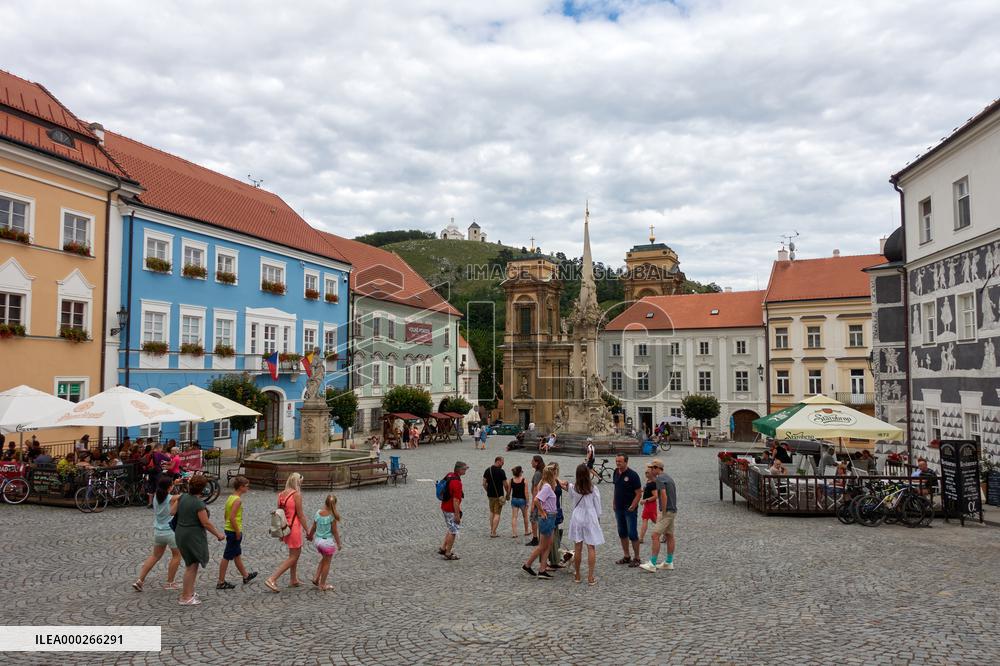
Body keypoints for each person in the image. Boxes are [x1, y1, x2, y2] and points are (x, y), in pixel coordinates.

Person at [172, 475, 225, 605]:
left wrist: (179, 500)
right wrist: (218, 534)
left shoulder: (183, 497)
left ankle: (189, 592)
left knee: (190, 564)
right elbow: (206, 523)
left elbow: (171, 512)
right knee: (192, 566)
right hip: (192, 535)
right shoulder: (198, 503)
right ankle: (185, 597)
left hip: (180, 532)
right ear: (202, 489)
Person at [132, 476, 182, 591]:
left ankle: (140, 580)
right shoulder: (171, 498)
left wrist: (174, 483)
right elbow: (182, 497)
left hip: (158, 532)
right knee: (177, 556)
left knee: (155, 556)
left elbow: (169, 492)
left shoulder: (155, 497)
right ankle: (170, 583)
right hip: (170, 532)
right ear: (169, 487)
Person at [265, 473, 311, 593]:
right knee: (294, 556)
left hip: (286, 527)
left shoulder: (281, 495)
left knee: (293, 554)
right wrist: (308, 530)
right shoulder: (296, 495)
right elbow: (300, 515)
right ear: (297, 482)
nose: (301, 484)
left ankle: (293, 579)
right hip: (294, 527)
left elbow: (280, 513)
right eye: (301, 482)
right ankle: (272, 578)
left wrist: (281, 532)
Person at [217, 476, 257, 590]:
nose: (248, 488)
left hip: (229, 529)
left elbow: (226, 515)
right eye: (247, 486)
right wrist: (237, 531)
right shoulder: (238, 500)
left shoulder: (230, 497)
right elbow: (232, 517)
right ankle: (221, 581)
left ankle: (246, 576)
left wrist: (228, 526)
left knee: (237, 554)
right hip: (234, 531)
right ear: (241, 487)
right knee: (227, 556)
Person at [567, 463, 603, 585]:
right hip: (590, 516)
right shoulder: (593, 489)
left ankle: (577, 575)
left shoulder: (573, 487)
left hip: (577, 515)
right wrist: (598, 519)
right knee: (591, 547)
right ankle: (590, 577)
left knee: (578, 547)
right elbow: (597, 507)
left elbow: (572, 500)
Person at [640, 459, 677, 572]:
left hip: (667, 512)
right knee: (669, 535)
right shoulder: (668, 477)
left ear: (657, 469)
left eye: (652, 468)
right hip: (673, 510)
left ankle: (652, 563)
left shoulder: (660, 479)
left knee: (655, 535)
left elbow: (664, 495)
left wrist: (663, 512)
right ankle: (669, 562)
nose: (650, 470)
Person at [522, 465, 559, 579]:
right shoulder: (547, 486)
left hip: (551, 517)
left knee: (548, 545)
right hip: (547, 517)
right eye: (555, 473)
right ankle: (527, 564)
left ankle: (542, 570)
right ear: (552, 474)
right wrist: (542, 512)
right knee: (542, 546)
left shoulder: (545, 484)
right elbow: (537, 500)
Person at [306, 493, 343, 591]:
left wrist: (310, 536)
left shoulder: (318, 513)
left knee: (324, 559)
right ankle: (322, 584)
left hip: (318, 542)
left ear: (325, 502)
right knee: (327, 563)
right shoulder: (332, 517)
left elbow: (313, 527)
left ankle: (316, 578)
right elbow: (335, 531)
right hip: (327, 543)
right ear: (334, 505)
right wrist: (339, 543)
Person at [612, 454, 642, 567]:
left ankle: (637, 557)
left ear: (626, 462)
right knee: (622, 532)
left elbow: (639, 493)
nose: (618, 463)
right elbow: (616, 488)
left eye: (620, 461)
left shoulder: (633, 475)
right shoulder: (615, 472)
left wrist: (633, 506)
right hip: (619, 508)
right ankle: (626, 556)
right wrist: (614, 501)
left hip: (629, 508)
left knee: (632, 533)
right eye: (616, 461)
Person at [438, 461, 468, 560]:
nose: (466, 470)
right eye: (464, 469)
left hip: (444, 506)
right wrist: (457, 515)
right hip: (451, 509)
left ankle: (443, 548)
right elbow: (456, 500)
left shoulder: (449, 475)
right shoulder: (457, 483)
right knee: (453, 531)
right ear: (459, 470)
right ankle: (448, 552)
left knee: (450, 528)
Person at [546, 461, 572, 571]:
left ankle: (554, 561)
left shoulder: (556, 480)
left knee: (555, 537)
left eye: (556, 469)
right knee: (549, 539)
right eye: (553, 469)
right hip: (549, 513)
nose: (555, 471)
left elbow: (565, 487)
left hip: (556, 512)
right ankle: (546, 563)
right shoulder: (546, 483)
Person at [482, 456, 510, 538]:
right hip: (499, 495)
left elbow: (484, 483)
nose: (503, 463)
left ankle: (492, 529)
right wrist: (507, 494)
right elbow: (505, 484)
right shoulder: (501, 471)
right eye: (502, 462)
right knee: (497, 513)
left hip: (490, 495)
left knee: (491, 512)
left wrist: (487, 490)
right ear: (498, 461)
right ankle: (493, 532)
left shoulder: (488, 470)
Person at [527, 455, 545, 547]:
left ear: (536, 462)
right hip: (541, 499)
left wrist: (533, 503)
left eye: (532, 461)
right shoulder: (541, 472)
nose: (531, 462)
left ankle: (535, 538)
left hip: (537, 499)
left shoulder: (538, 474)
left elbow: (535, 489)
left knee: (533, 518)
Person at [639, 465, 658, 545]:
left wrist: (645, 500)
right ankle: (641, 538)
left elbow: (655, 496)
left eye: (647, 473)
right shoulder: (648, 481)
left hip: (650, 505)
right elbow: (646, 488)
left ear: (652, 474)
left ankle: (641, 538)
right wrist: (641, 490)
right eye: (645, 472)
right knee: (650, 520)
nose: (646, 474)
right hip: (648, 505)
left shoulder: (653, 484)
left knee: (648, 520)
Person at [509, 465, 530, 539]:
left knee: (514, 517)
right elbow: (526, 492)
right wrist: (527, 502)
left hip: (514, 500)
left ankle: (514, 533)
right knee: (525, 516)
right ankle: (526, 531)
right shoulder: (524, 480)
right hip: (522, 500)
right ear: (520, 472)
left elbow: (509, 491)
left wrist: (507, 497)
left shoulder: (511, 480)